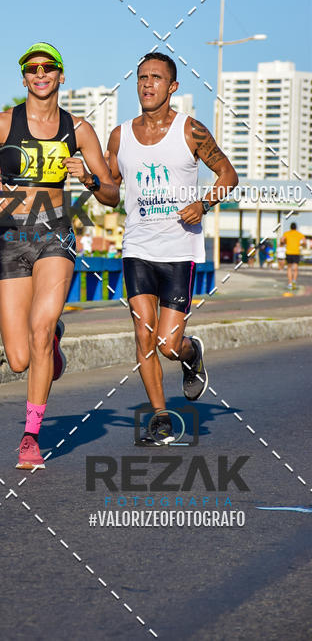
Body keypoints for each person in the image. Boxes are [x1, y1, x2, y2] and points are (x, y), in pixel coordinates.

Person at [0, 43, 119, 468]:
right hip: (10, 238)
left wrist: (88, 177)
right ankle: (53, 341)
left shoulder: (78, 130)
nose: (41, 74)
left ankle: (31, 437)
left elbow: (111, 194)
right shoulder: (2, 123)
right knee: (19, 360)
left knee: (40, 328)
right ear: (24, 77)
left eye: (48, 67)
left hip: (55, 235)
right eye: (33, 69)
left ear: (61, 75)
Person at [106, 53, 238, 445]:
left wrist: (204, 203)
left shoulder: (190, 130)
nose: (148, 84)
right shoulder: (120, 136)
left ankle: (190, 353)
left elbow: (228, 174)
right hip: (137, 248)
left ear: (172, 86)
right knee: (143, 334)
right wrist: (90, 181)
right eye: (142, 77)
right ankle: (161, 418)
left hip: (180, 251)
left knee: (167, 345)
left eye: (156, 78)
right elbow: (110, 192)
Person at [281, 221, 305, 289]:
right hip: (296, 252)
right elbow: (304, 242)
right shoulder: (299, 234)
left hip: (289, 252)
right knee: (295, 268)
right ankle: (294, 280)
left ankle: (290, 283)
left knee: (289, 268)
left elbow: (282, 240)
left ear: (290, 227)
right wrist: (301, 244)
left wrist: (285, 242)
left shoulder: (286, 233)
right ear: (296, 227)